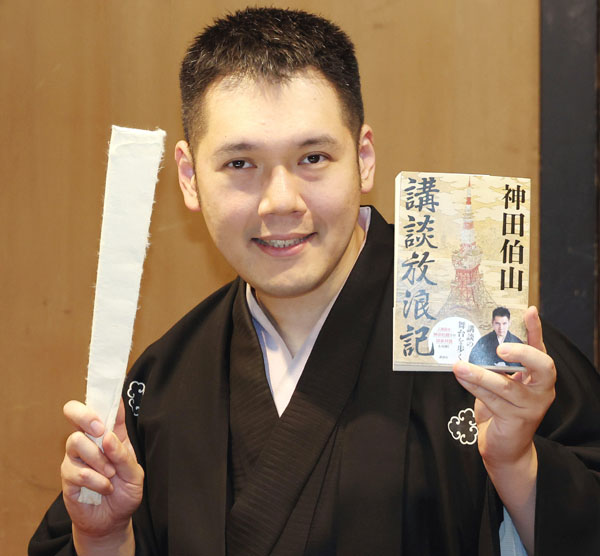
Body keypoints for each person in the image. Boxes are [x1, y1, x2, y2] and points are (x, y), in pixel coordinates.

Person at [29, 7, 600, 556]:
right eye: (239, 164)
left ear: (364, 158)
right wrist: (104, 539)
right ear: (189, 176)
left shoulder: (490, 354)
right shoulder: (164, 380)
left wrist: (516, 463)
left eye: (313, 158)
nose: (281, 202)